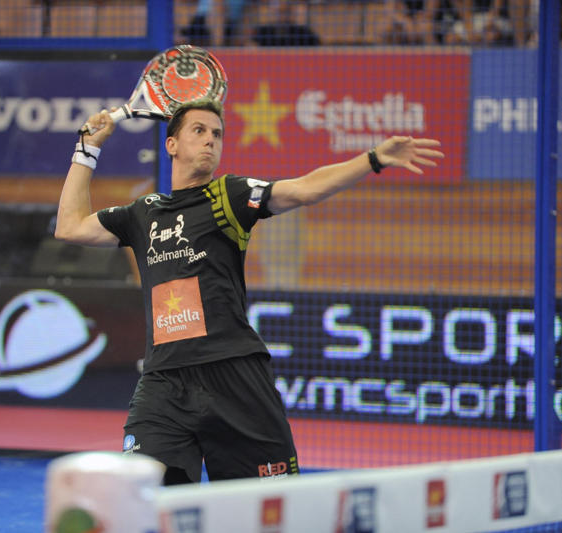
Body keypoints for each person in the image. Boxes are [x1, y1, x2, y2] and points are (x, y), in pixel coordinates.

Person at [54, 99, 444, 485]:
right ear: (171, 144)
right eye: (199, 131)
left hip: (235, 376)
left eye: (217, 134)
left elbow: (305, 189)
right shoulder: (143, 213)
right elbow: (69, 226)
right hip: (164, 382)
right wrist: (87, 148)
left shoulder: (231, 195)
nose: (210, 140)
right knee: (144, 493)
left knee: (266, 504)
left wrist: (373, 159)